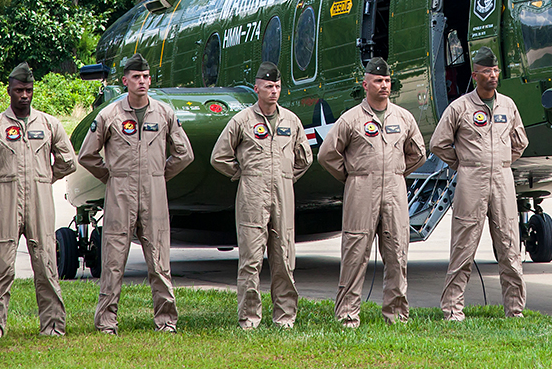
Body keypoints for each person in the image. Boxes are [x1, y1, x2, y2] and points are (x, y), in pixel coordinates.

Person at [78, 53, 194, 334]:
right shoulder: (110, 115)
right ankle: (106, 322)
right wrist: (112, 177)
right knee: (114, 260)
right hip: (120, 194)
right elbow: (87, 155)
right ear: (125, 81)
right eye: (136, 77)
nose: (141, 81)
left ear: (150, 80)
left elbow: (184, 153)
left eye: (145, 77)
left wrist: (159, 175)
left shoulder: (164, 113)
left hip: (154, 193)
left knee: (159, 260)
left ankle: (166, 320)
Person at [0, 62, 77, 339]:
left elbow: (68, 161)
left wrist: (45, 178)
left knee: (47, 266)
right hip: (6, 203)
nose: (24, 95)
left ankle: (53, 326)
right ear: (9, 91)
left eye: (28, 90)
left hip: (40, 203)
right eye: (18, 90)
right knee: (1, 267)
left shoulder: (49, 124)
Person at [317, 57, 426, 328]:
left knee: (397, 253)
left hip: (395, 191)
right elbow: (327, 154)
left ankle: (396, 315)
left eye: (387, 80)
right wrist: (353, 176)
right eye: (378, 81)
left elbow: (418, 153)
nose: (384, 85)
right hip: (361, 190)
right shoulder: (351, 119)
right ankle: (347, 314)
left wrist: (397, 172)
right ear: (365, 85)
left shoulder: (403, 117)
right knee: (355, 252)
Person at [210, 62, 312, 329]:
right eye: (268, 86)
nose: (274, 91)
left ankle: (285, 317)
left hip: (283, 195)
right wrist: (242, 173)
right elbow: (219, 157)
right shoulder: (242, 121)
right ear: (257, 89)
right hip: (252, 195)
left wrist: (287, 177)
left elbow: (305, 158)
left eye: (277, 86)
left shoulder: (291, 120)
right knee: (251, 259)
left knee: (284, 258)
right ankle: (249, 318)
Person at [430, 46, 529, 321]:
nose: (493, 75)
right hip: (471, 180)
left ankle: (515, 310)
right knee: (463, 246)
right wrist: (464, 163)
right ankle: (453, 309)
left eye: (496, 70)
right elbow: (438, 143)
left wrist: (501, 161)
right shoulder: (460, 107)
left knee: (510, 246)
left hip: (502, 180)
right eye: (487, 71)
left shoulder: (508, 105)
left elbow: (520, 142)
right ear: (475, 76)